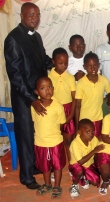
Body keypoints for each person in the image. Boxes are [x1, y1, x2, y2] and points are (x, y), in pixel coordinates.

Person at [4, 2, 53, 189]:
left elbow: (43, 60)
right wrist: (31, 99)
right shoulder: (13, 39)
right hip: (24, 98)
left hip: (39, 95)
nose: (35, 18)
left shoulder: (37, 36)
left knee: (36, 134)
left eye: (38, 15)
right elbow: (15, 76)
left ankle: (33, 166)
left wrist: (58, 63)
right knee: (25, 135)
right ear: (22, 15)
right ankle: (26, 177)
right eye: (31, 14)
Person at [31, 77, 66, 199]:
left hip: (55, 142)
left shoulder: (58, 106)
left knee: (57, 165)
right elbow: (35, 122)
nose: (47, 90)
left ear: (53, 88)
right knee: (44, 166)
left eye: (50, 87)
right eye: (43, 88)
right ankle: (47, 184)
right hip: (40, 142)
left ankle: (57, 185)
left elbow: (61, 123)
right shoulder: (35, 107)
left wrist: (55, 136)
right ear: (36, 92)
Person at [75, 52, 110, 140]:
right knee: (86, 143)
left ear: (99, 65)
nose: (93, 68)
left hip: (99, 118)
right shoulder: (81, 82)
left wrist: (104, 100)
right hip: (84, 119)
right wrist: (77, 125)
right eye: (89, 66)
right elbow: (77, 105)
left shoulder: (104, 80)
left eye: (95, 65)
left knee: (97, 142)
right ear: (84, 67)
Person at [48, 47, 76, 162]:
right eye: (60, 63)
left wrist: (71, 115)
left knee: (69, 140)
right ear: (53, 62)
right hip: (55, 111)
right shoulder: (49, 78)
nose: (63, 66)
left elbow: (74, 98)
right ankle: (56, 164)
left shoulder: (70, 78)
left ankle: (71, 164)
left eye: (66, 63)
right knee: (56, 140)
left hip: (68, 110)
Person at [68, 119, 105, 198]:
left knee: (96, 182)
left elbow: (99, 145)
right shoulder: (75, 143)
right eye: (87, 132)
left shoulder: (93, 139)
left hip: (88, 165)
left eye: (93, 131)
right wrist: (94, 151)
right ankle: (74, 185)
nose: (91, 134)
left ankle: (83, 177)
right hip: (77, 165)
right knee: (79, 171)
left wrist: (102, 140)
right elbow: (80, 162)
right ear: (79, 132)